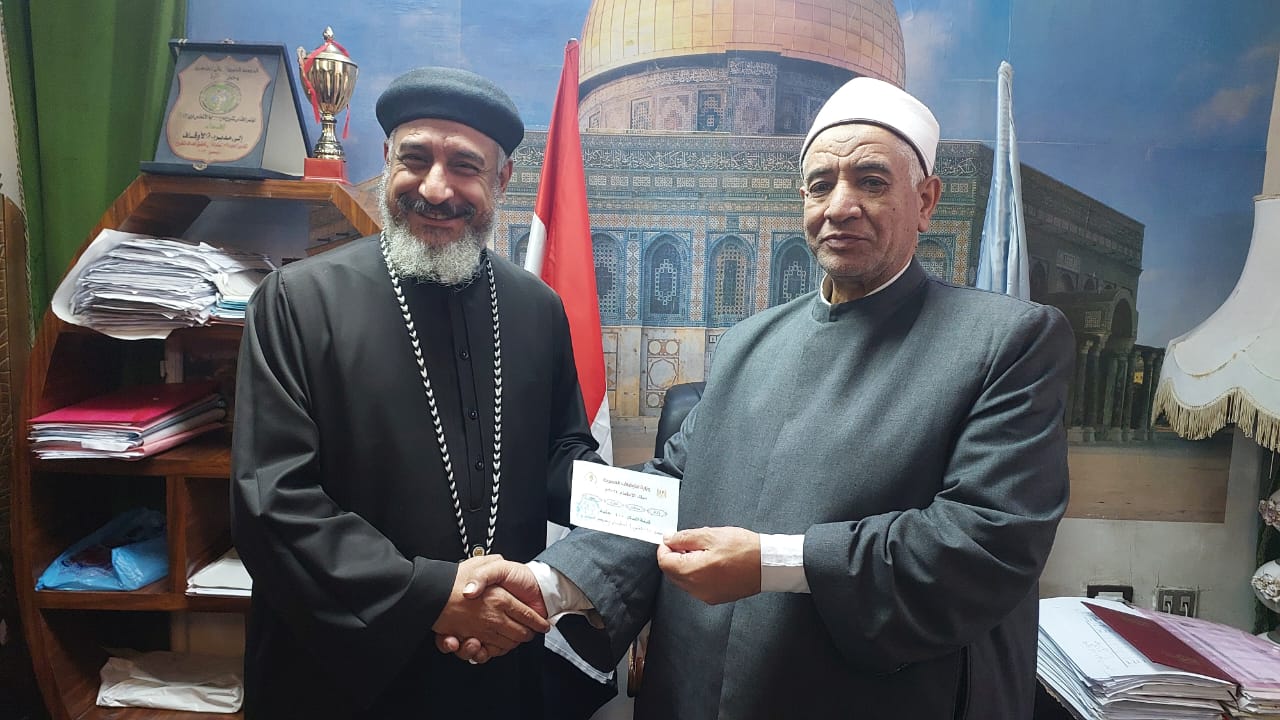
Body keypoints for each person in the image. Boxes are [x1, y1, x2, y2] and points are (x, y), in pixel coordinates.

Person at [450, 76, 1075, 719]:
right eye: (821, 184)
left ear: (926, 200)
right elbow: (672, 490)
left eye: (871, 181)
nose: (841, 206)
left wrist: (772, 563)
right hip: (693, 692)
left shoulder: (1005, 342)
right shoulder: (750, 343)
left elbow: (986, 540)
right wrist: (548, 584)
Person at [230, 66, 609, 719]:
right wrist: (434, 595)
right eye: (415, 159)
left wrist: (655, 509)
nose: (435, 188)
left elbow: (560, 458)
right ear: (386, 160)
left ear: (502, 179)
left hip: (497, 663)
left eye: (464, 166)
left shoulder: (537, 309)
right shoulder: (296, 302)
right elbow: (272, 503)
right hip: (342, 676)